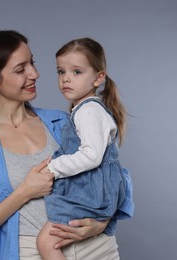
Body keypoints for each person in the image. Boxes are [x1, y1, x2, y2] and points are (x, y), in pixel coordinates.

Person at [0, 30, 134, 260]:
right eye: (20, 69)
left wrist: (102, 222)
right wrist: (24, 192)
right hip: (28, 252)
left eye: (32, 63)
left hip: (97, 248)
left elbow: (111, 174)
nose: (35, 73)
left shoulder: (61, 123)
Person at [36, 38, 129, 260]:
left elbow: (92, 156)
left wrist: (53, 168)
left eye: (77, 72)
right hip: (92, 191)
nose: (66, 78)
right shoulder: (84, 109)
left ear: (98, 77)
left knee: (46, 242)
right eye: (61, 71)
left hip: (91, 194)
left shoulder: (89, 111)